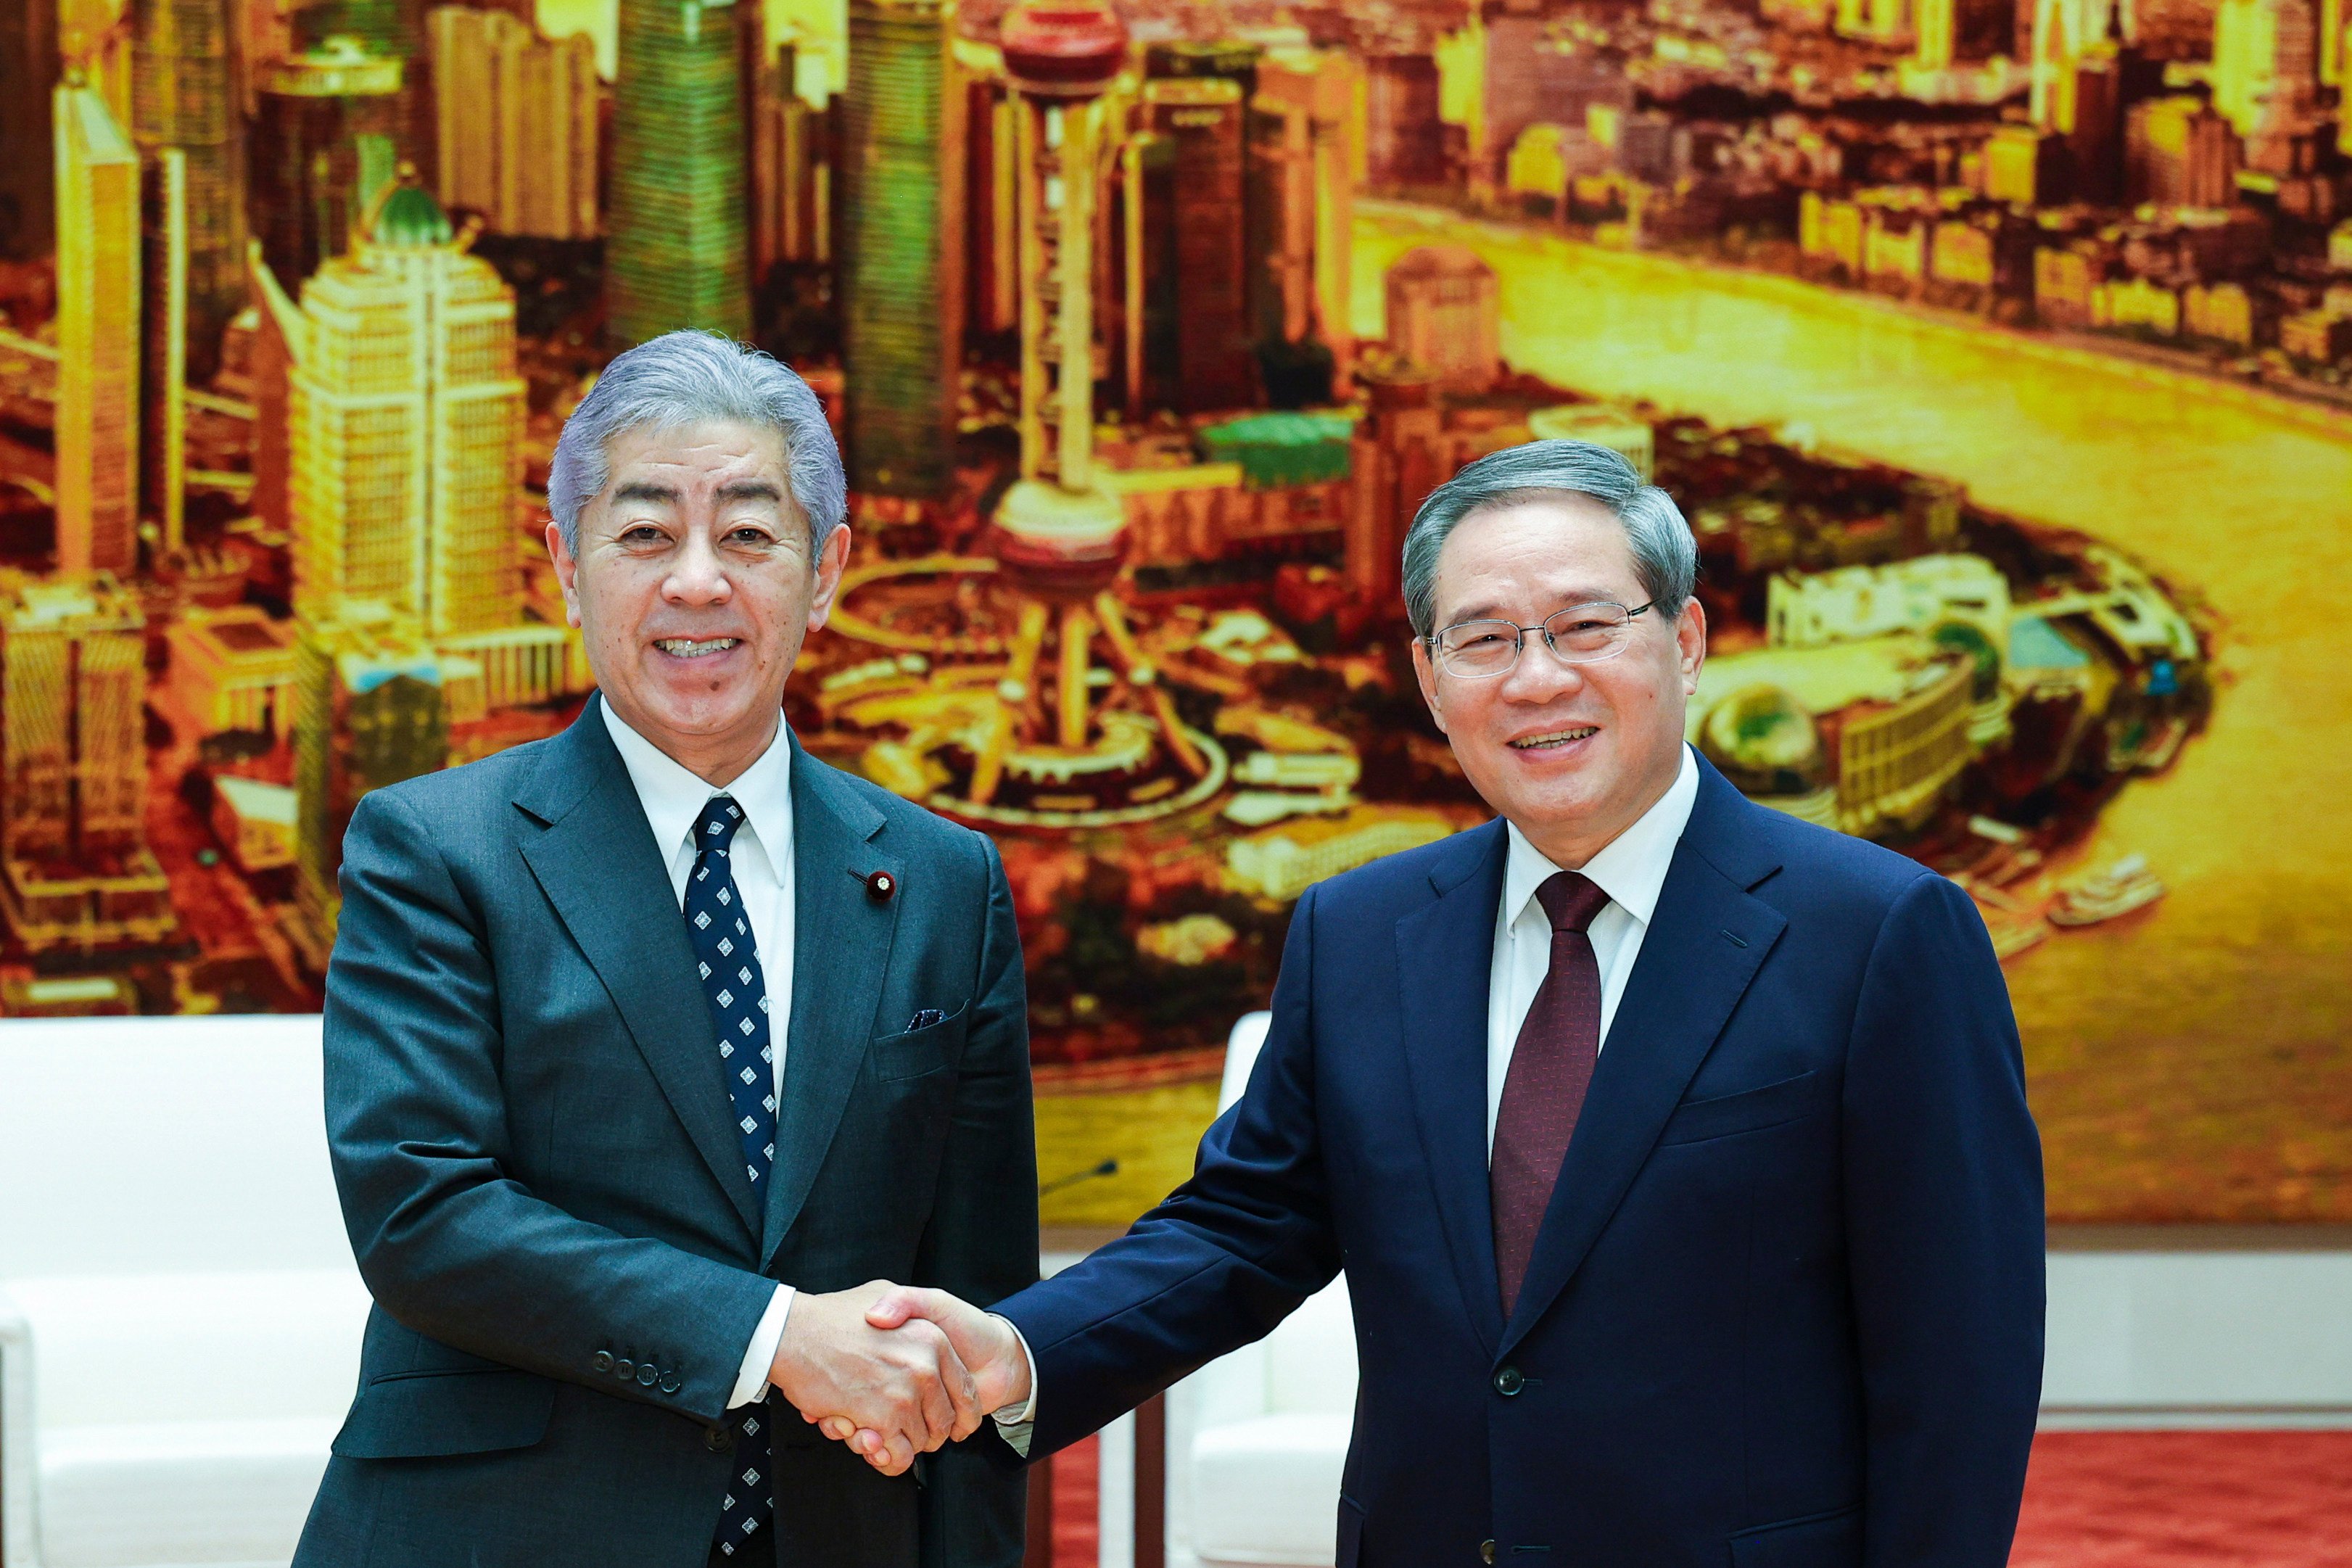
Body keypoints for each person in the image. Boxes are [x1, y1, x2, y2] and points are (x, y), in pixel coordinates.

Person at [857, 439, 2047, 1567]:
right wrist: (1016, 1348)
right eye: (1482, 639)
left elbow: (1959, 1370)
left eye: (1586, 624)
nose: (1537, 678)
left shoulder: (1881, 933)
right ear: (1430, 679)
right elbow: (1240, 1230)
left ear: (1684, 640)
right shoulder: (1361, 933)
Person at [294, 330, 1035, 1568]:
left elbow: (972, 1302)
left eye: (749, 534)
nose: (698, 582)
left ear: (827, 570)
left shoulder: (946, 882)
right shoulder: (435, 849)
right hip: (499, 1535)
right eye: (644, 534)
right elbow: (424, 1213)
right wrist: (777, 1334)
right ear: (566, 570)